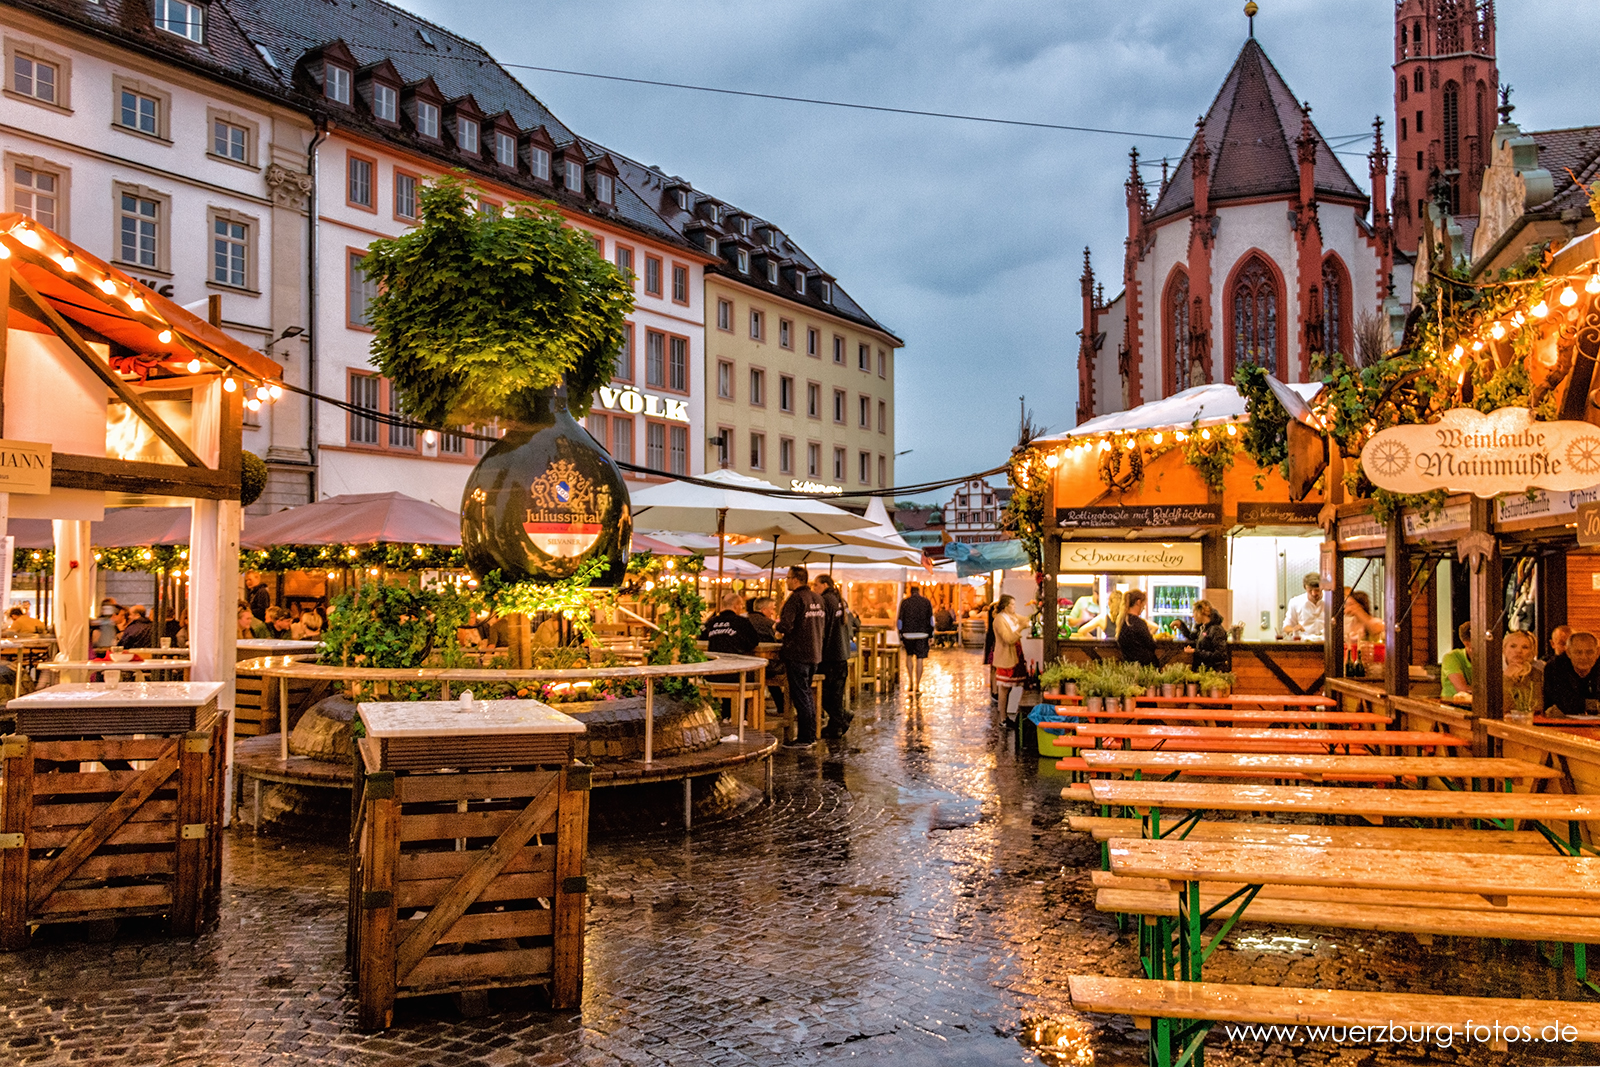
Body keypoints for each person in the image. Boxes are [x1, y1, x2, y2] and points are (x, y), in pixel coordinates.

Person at [776, 567, 825, 748]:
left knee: (801, 695)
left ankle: (806, 737)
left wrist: (777, 628)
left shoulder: (795, 599)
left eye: (788, 578)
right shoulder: (818, 598)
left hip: (797, 653)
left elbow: (786, 626)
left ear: (796, 579)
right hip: (815, 653)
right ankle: (810, 734)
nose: (786, 581)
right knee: (807, 694)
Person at [701, 592, 760, 719]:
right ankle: (741, 718)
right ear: (737, 606)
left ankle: (726, 716)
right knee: (748, 674)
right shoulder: (742, 622)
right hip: (735, 674)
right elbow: (753, 643)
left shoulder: (711, 622)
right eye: (741, 606)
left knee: (729, 673)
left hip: (712, 673)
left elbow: (701, 639)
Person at [814, 576, 853, 738]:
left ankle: (840, 719)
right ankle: (837, 723)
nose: (814, 588)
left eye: (815, 585)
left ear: (824, 585)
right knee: (836, 692)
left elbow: (820, 629)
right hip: (842, 652)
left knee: (823, 692)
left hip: (829, 653)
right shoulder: (841, 600)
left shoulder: (824, 601)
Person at [1544, 630, 1600, 717]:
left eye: (1589, 652)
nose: (1584, 657)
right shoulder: (1555, 667)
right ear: (1568, 653)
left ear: (1597, 652)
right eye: (1578, 652)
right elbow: (1562, 702)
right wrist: (1593, 704)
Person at [991, 594, 1027, 723]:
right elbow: (1008, 639)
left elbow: (1026, 619)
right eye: (1012, 604)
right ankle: (1003, 718)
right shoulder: (1000, 620)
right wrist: (1021, 628)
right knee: (1004, 688)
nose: (1014, 607)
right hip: (1005, 657)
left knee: (1009, 687)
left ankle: (1005, 717)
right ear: (1006, 607)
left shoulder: (1012, 617)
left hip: (1015, 655)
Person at [745, 596, 784, 716]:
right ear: (763, 609)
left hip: (746, 665)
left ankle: (779, 706)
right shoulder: (770, 624)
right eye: (771, 609)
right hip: (767, 666)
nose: (772, 612)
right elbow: (779, 643)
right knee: (775, 670)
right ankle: (783, 708)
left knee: (763, 671)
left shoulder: (744, 622)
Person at [897, 583, 935, 695]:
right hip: (923, 634)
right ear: (919, 591)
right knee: (920, 659)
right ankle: (918, 685)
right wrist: (931, 635)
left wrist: (900, 635)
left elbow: (900, 621)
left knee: (909, 656)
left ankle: (910, 682)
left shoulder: (905, 602)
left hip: (908, 634)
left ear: (910, 591)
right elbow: (931, 620)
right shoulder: (926, 602)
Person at [1181, 600, 1232, 673]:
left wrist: (1196, 652)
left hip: (1214, 672)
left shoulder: (1216, 630)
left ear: (1200, 612)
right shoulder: (1203, 628)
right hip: (1206, 670)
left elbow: (1220, 654)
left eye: (1194, 612)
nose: (1192, 616)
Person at [1503, 630, 1543, 716]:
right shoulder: (1493, 673)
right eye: (1513, 646)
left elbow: (1535, 706)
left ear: (1531, 652)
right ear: (1504, 650)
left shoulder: (1537, 675)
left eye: (1525, 647)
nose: (1518, 651)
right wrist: (1507, 679)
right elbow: (1501, 706)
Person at [1117, 589, 1158, 667]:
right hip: (1145, 666)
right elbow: (1151, 644)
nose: (1143, 608)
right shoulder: (1139, 623)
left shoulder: (1123, 623)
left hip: (1129, 667)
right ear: (1138, 602)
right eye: (1143, 605)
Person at [1281, 573, 1326, 640]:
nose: (1313, 593)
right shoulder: (1296, 602)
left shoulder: (1331, 601)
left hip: (1327, 643)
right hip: (1305, 643)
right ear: (1305, 587)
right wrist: (1294, 629)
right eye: (1310, 590)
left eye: (1317, 590)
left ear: (1322, 588)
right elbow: (1286, 628)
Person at [1440, 622, 1473, 700]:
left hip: (1476, 707)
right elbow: (1463, 690)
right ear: (1467, 644)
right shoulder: (1451, 657)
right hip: (1451, 707)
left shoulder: (1488, 659)